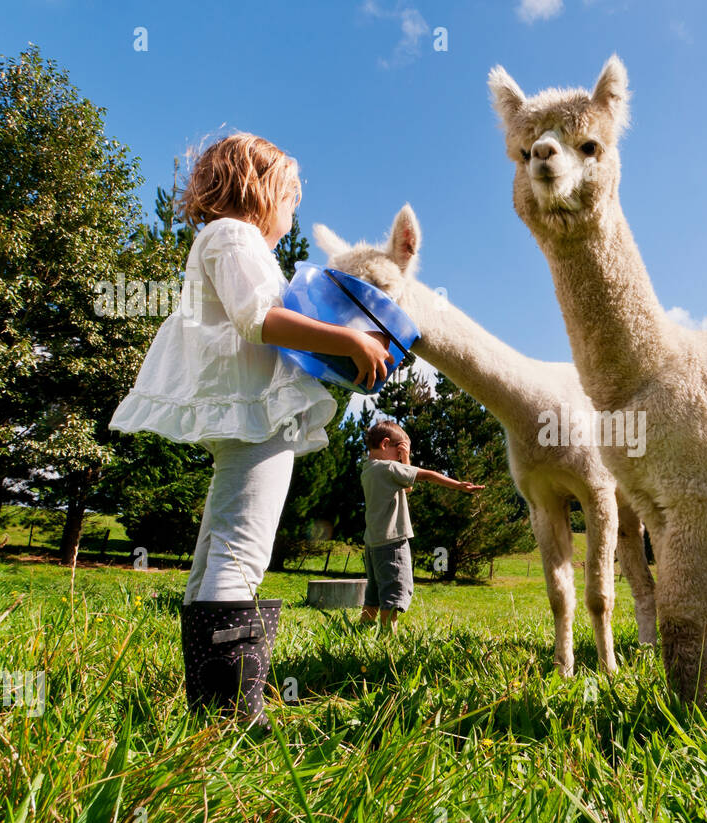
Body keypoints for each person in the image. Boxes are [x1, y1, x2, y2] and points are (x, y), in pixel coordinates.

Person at [110, 132, 393, 726]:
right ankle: (230, 712)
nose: (292, 217)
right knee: (242, 548)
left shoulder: (220, 239)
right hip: (254, 414)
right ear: (256, 189)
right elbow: (257, 319)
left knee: (218, 542)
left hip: (244, 409)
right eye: (289, 200)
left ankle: (211, 701)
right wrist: (345, 338)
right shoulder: (235, 236)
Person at [361, 420, 482, 634]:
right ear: (385, 444)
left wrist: (405, 458)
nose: (399, 459)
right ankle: (388, 640)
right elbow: (424, 475)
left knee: (374, 593)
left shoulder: (369, 469)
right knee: (393, 594)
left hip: (373, 543)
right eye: (398, 452)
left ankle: (360, 632)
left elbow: (406, 487)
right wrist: (458, 485)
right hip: (392, 542)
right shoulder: (388, 467)